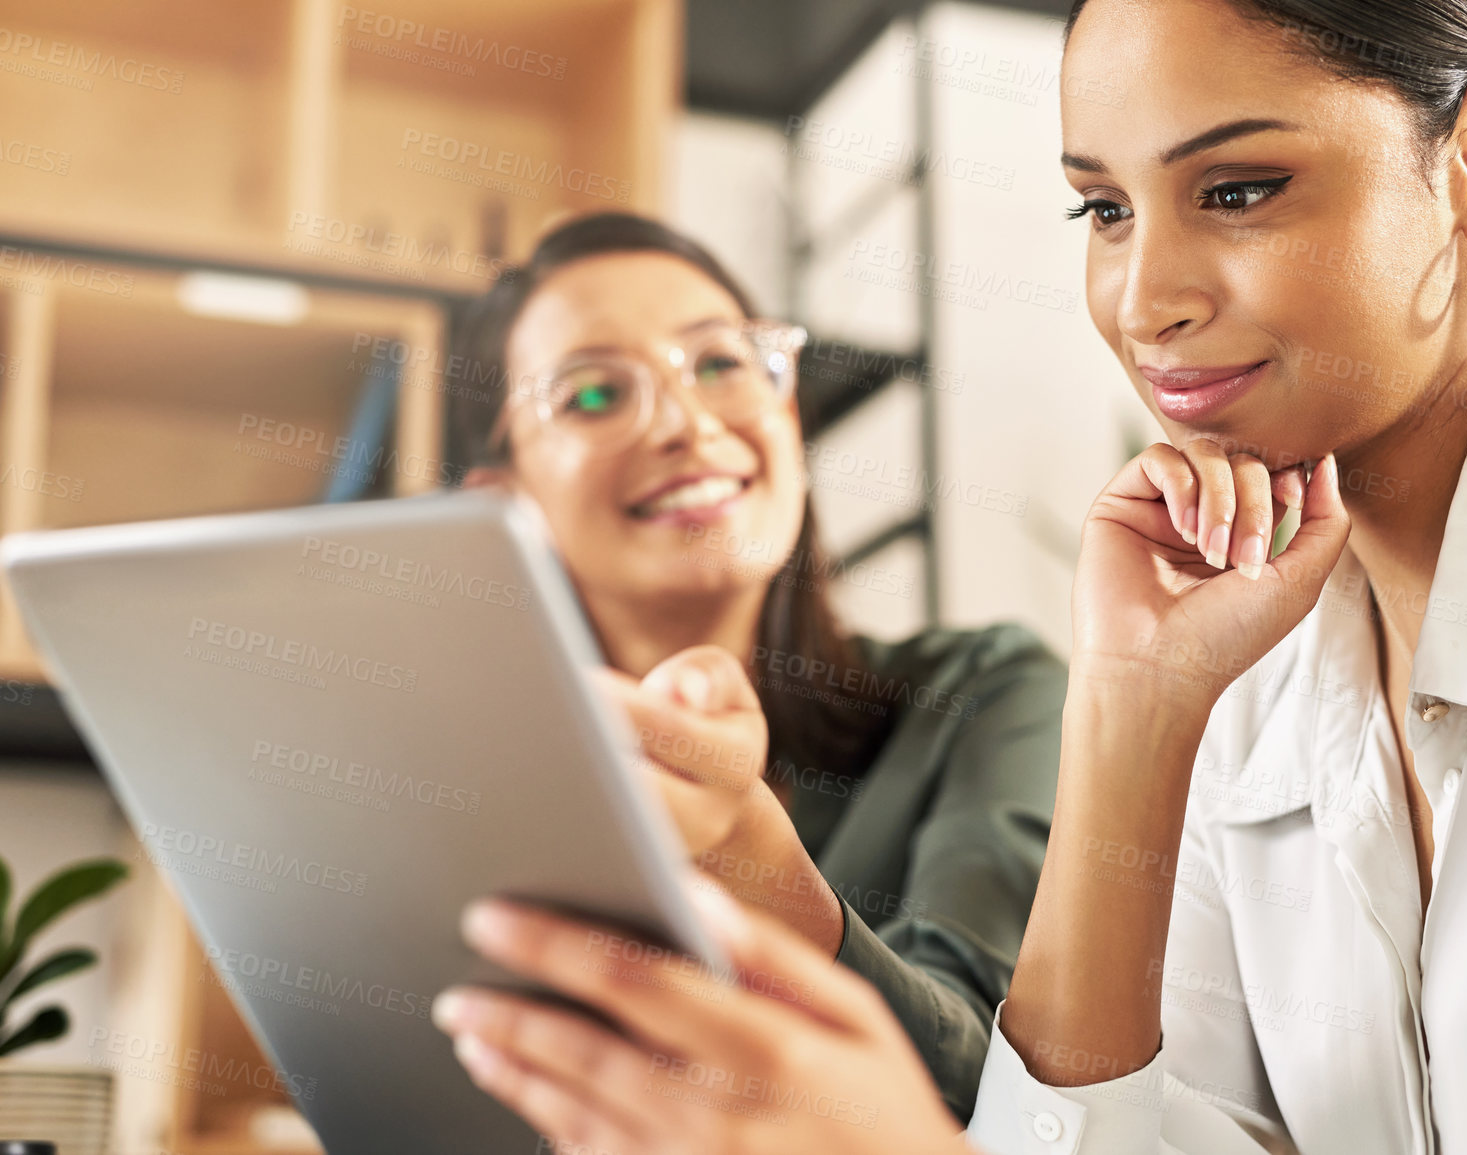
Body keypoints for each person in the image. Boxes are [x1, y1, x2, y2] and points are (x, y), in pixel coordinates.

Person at [428, 1, 1467, 1152]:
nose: (1143, 300)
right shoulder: (1256, 673)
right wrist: (1133, 706)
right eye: (1105, 211)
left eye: (1237, 189)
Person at [429, 212, 1067, 1123]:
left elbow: (995, 1096)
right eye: (595, 396)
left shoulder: (985, 694)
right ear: (503, 499)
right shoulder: (454, 787)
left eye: (722, 363)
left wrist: (754, 864)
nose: (687, 424)